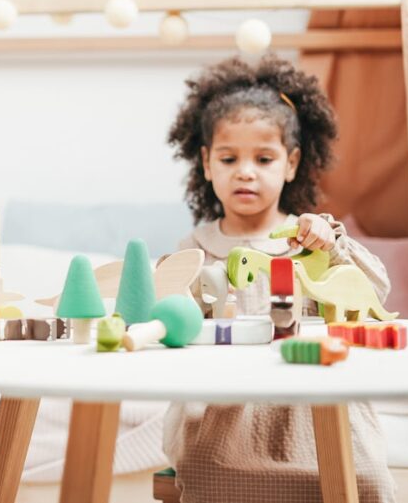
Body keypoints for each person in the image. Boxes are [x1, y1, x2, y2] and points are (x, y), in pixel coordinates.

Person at [164, 55, 395, 502]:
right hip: (227, 410)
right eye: (230, 158)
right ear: (207, 164)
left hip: (311, 404)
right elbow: (173, 318)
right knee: (211, 475)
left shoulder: (311, 235)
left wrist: (331, 244)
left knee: (365, 479)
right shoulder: (194, 246)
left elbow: (376, 292)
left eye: (263, 158)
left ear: (290, 164)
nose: (246, 171)